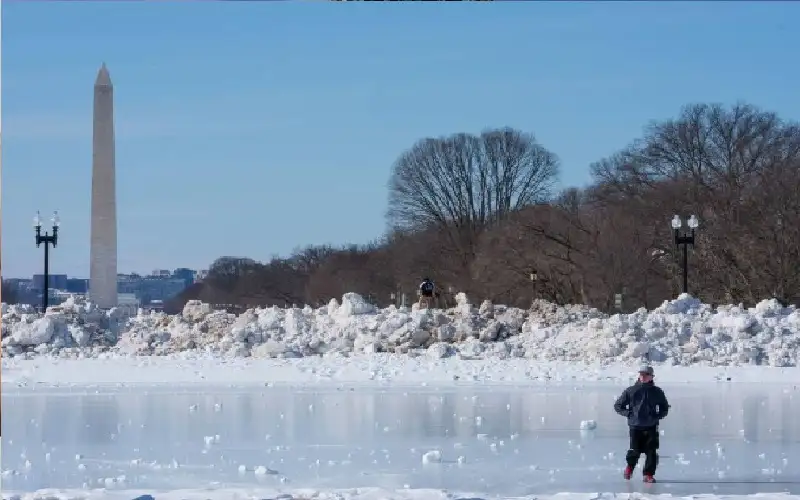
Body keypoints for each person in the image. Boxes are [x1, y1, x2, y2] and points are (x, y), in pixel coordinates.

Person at [613, 364, 669, 483]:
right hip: (635, 426)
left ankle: (648, 474)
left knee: (651, 451)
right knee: (635, 450)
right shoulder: (631, 390)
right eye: (641, 374)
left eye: (646, 374)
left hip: (651, 426)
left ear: (651, 377)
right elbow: (618, 406)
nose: (643, 376)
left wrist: (657, 416)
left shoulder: (657, 392)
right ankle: (629, 468)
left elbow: (664, 407)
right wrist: (629, 414)